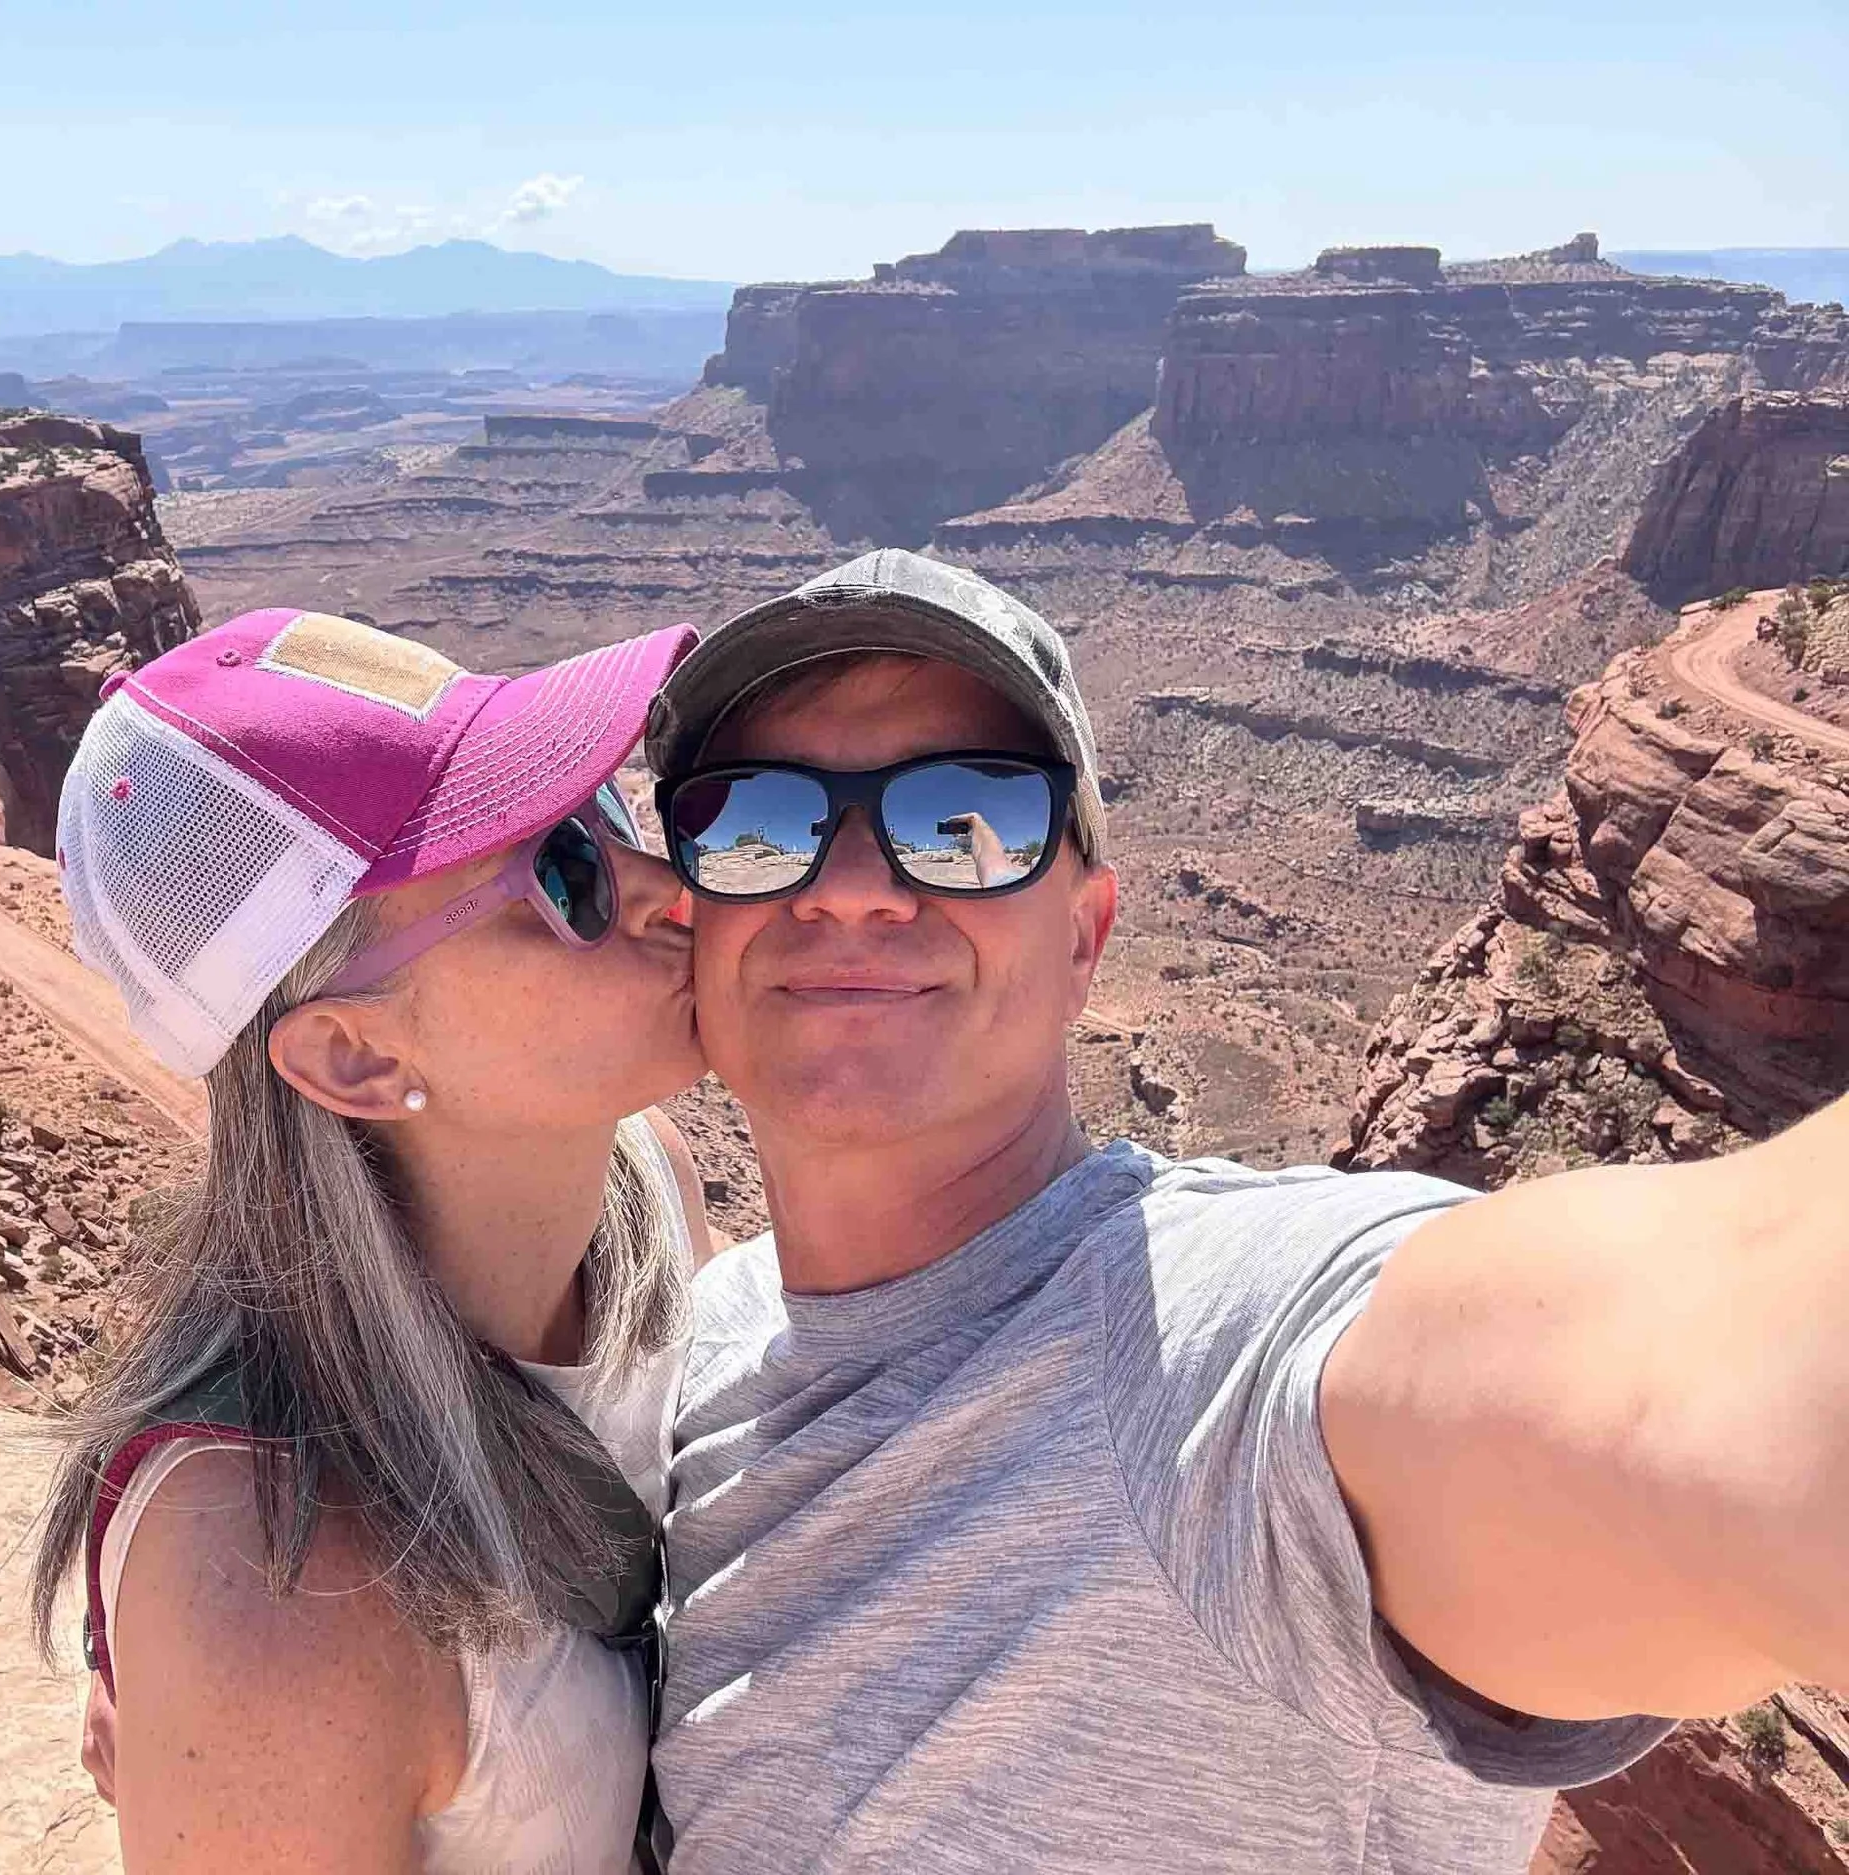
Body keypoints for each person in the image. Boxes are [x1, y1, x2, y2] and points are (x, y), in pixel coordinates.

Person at [640, 549, 1849, 1873]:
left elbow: (1687, 1371)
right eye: (755, 819)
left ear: (1087, 936)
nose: (852, 883)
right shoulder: (693, 1348)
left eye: (964, 819)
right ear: (684, 917)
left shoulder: (1228, 1367)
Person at [30, 605, 714, 1873]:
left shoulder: (644, 1188)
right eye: (563, 875)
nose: (672, 896)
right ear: (352, 1053)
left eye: (608, 816)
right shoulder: (276, 1586)